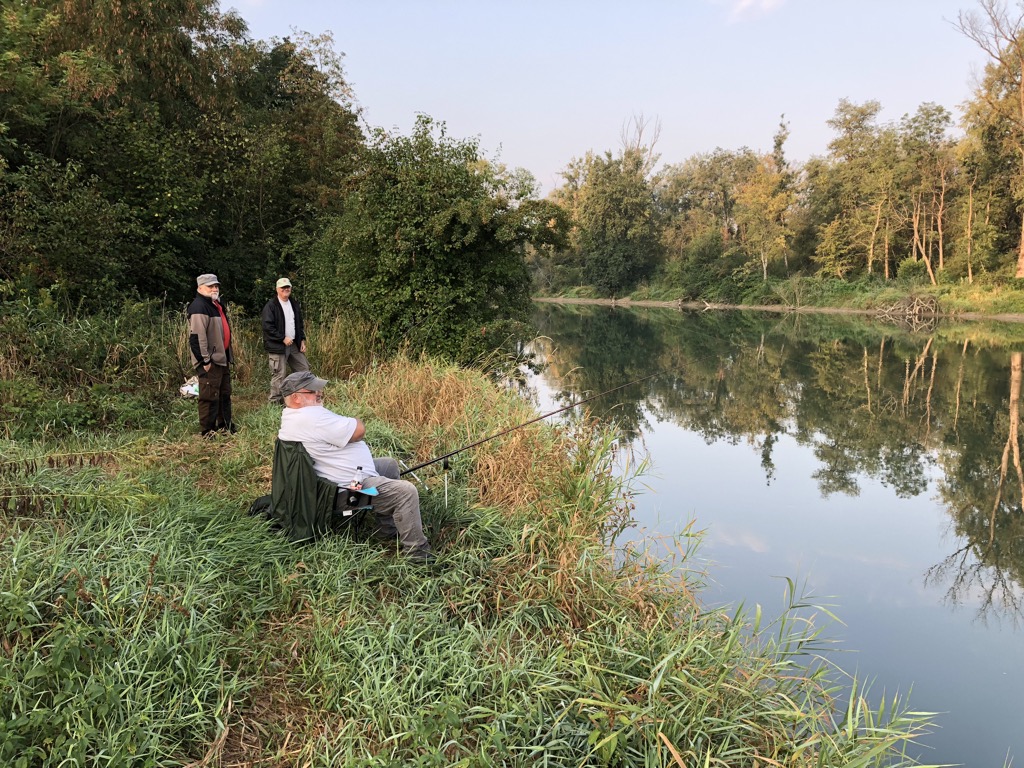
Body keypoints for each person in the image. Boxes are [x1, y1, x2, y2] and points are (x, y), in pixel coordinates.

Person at [277, 370, 435, 563]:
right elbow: (359, 430)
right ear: (296, 398)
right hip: (348, 492)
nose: (319, 393)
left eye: (319, 389)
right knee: (405, 492)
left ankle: (386, 530)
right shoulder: (311, 417)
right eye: (312, 390)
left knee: (388, 465)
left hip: (337, 482)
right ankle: (418, 554)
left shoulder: (291, 416)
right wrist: (353, 421)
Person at [187, 273, 235, 436]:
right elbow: (197, 337)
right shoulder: (199, 306)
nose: (214, 289)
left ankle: (224, 425)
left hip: (222, 358)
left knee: (224, 393)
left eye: (216, 286)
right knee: (209, 395)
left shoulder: (216, 305)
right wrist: (204, 361)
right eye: (210, 286)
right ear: (200, 288)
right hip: (210, 361)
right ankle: (207, 430)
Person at [261, 277, 310, 405]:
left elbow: (299, 324)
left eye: (287, 287)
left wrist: (302, 340)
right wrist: (282, 338)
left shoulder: (294, 303)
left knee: (304, 370)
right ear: (277, 289)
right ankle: (275, 403)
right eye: (283, 287)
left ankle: (302, 397)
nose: (286, 289)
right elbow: (268, 327)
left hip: (294, 344)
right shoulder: (271, 306)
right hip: (277, 346)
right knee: (279, 375)